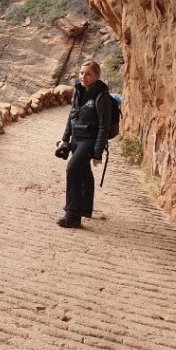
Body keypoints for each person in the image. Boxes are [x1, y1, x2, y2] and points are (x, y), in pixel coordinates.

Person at [56, 60, 112, 228]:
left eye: (88, 74)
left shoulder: (103, 97)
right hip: (76, 139)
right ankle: (85, 208)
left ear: (96, 76)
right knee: (84, 172)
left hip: (89, 140)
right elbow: (72, 116)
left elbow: (104, 126)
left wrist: (97, 152)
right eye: (81, 73)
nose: (83, 77)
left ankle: (72, 216)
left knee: (73, 169)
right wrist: (65, 139)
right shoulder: (79, 91)